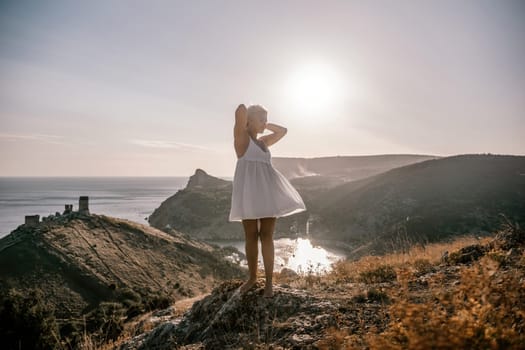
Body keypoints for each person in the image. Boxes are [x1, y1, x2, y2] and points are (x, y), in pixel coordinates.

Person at [229, 103, 307, 297]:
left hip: (267, 192)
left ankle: (270, 283)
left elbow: (283, 131)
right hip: (248, 193)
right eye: (261, 119)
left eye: (266, 119)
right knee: (250, 236)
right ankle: (253, 278)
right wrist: (250, 116)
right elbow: (239, 110)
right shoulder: (242, 140)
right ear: (250, 120)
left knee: (267, 236)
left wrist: (264, 123)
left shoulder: (263, 143)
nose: (265, 123)